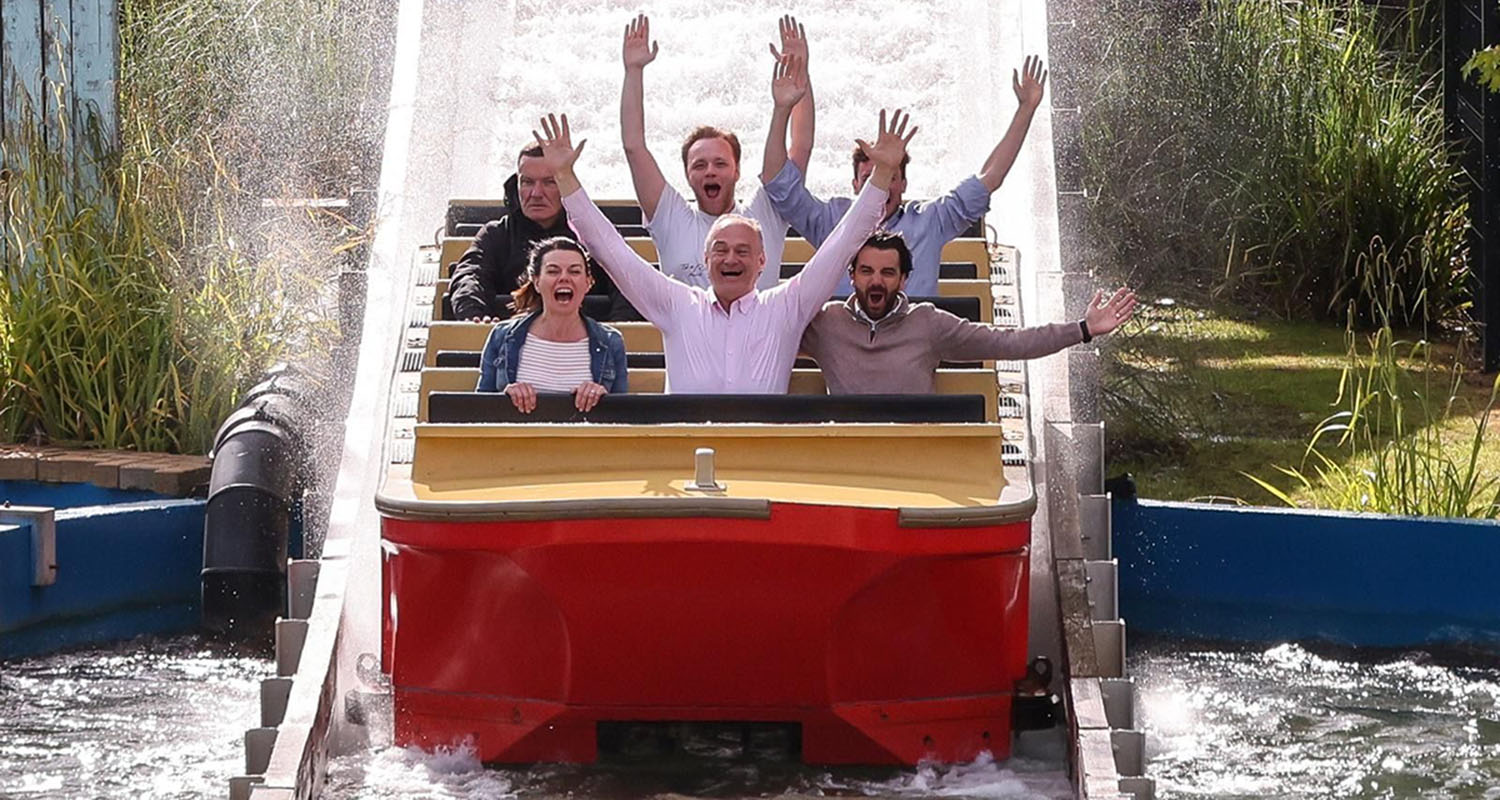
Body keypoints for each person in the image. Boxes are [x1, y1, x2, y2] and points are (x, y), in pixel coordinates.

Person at [534, 108, 911, 393]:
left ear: (762, 261)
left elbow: (845, 242)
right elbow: (608, 248)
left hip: (760, 460)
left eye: (743, 251)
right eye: (721, 250)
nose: (731, 258)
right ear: (705, 259)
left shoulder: (787, 306)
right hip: (684, 457)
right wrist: (564, 177)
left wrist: (881, 175)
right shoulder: (677, 303)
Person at [761, 17, 1048, 297]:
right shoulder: (831, 220)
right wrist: (788, 99)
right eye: (870, 178)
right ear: (855, 185)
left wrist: (1026, 109)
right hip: (845, 329)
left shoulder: (929, 221)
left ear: (904, 184)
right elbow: (778, 183)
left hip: (910, 329)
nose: (880, 187)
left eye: (890, 177)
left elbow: (989, 178)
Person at [801, 232, 1137, 394]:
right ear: (852, 277)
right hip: (847, 452)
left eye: (887, 273)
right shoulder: (828, 323)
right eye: (866, 271)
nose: (876, 281)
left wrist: (1083, 329)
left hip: (915, 455)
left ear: (903, 280)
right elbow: (771, 330)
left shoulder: (928, 323)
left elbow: (1007, 343)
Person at [620, 13, 788, 290]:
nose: (710, 171)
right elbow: (633, 147)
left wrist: (787, 101)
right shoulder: (672, 217)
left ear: (737, 171)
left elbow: (800, 149)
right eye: (699, 165)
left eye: (720, 163)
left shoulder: (763, 213)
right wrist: (633, 71)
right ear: (687, 175)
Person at [446, 145, 628, 322]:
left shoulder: (596, 234)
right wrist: (474, 315)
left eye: (549, 182)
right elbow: (470, 275)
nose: (536, 193)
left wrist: (619, 328)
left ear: (565, 185)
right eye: (527, 182)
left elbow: (627, 282)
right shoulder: (496, 235)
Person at [476, 237, 628, 413]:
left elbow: (622, 414)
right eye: (553, 271)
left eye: (574, 271)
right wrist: (504, 400)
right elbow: (480, 409)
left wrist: (604, 400)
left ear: (588, 283)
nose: (564, 278)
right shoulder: (501, 336)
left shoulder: (611, 342)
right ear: (536, 282)